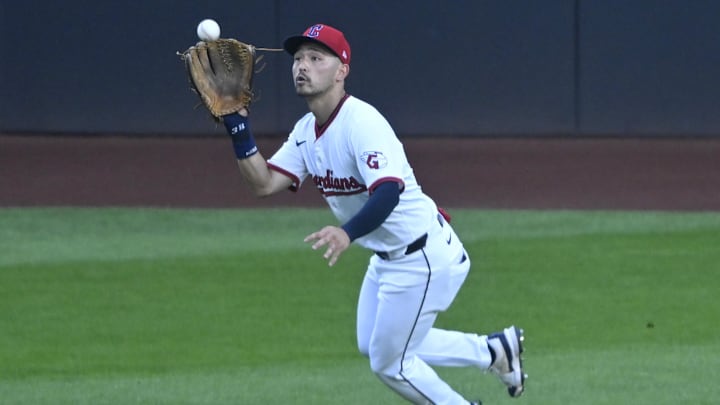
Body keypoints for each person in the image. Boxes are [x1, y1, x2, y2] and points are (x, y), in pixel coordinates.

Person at [219, 23, 527, 405]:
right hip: (387, 257)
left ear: (342, 70)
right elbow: (263, 183)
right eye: (298, 58)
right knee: (373, 342)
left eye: (316, 58)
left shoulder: (362, 123)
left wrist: (346, 233)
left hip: (423, 257)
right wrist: (238, 129)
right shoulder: (305, 132)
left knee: (390, 363)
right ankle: (494, 351)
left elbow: (387, 194)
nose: (302, 66)